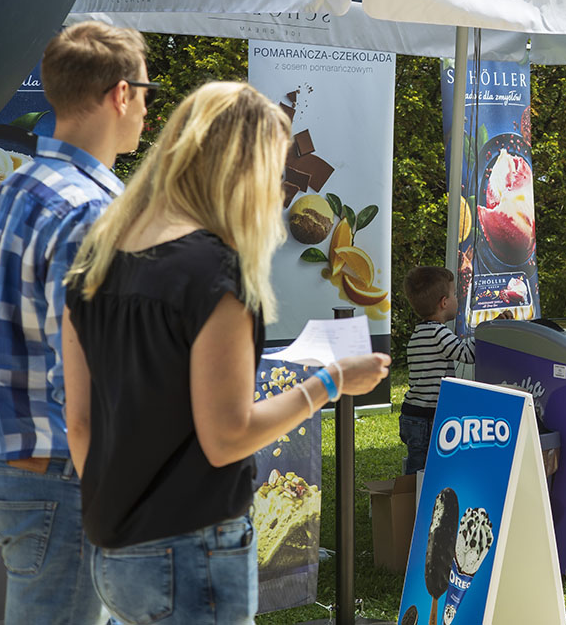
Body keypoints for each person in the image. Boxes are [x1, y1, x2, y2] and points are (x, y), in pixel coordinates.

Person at [61, 82, 390, 624]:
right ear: (244, 172)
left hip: (112, 547)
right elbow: (227, 437)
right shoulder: (215, 274)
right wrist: (329, 383)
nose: (279, 193)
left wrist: (117, 511)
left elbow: (79, 424)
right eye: (275, 173)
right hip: (192, 550)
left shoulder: (96, 259)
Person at [0, 21, 153, 625]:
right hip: (68, 476)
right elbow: (91, 385)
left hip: (16, 465)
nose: (147, 109)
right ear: (121, 94)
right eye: (147, 92)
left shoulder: (12, 188)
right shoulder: (91, 211)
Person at [400, 265, 472, 474]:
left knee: (417, 464)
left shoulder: (419, 333)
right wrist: (489, 333)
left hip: (413, 413)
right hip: (428, 416)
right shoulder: (438, 333)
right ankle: (415, 493)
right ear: (444, 302)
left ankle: (410, 491)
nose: (457, 299)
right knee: (425, 469)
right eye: (454, 294)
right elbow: (467, 354)